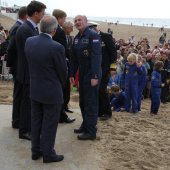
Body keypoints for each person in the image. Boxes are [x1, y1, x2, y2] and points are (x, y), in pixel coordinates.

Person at [25, 15, 67, 163]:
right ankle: (48, 154)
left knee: (36, 121)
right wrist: (59, 84)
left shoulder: (29, 41)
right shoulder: (56, 47)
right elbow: (63, 72)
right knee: (49, 124)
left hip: (35, 88)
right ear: (54, 30)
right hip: (51, 92)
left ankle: (35, 151)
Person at [15, 1, 46, 140]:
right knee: (26, 102)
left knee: (27, 101)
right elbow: (31, 52)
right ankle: (24, 130)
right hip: (27, 71)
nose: (43, 16)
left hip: (28, 71)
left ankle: (26, 127)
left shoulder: (31, 27)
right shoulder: (26, 29)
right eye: (42, 13)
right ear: (35, 13)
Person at [70, 15, 102, 140]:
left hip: (91, 74)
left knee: (91, 104)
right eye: (75, 21)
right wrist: (72, 74)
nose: (77, 22)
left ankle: (91, 132)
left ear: (86, 22)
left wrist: (94, 76)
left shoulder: (93, 36)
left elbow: (96, 57)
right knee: (83, 102)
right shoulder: (77, 38)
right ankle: (86, 125)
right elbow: (73, 59)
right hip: (82, 74)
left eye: (80, 20)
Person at [88, 21, 117, 120]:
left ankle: (107, 112)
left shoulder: (106, 36)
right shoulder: (91, 38)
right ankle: (100, 111)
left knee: (102, 90)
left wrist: (113, 68)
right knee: (97, 90)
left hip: (105, 68)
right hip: (96, 68)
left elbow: (113, 53)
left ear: (95, 28)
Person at [52, 9, 75, 123]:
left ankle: (60, 114)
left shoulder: (52, 28)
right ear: (60, 18)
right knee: (60, 92)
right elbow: (63, 50)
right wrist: (74, 58)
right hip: (59, 65)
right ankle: (62, 116)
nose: (64, 21)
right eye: (64, 18)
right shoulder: (59, 31)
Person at [6, 6, 27, 129]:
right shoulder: (18, 28)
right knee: (18, 94)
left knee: (19, 94)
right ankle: (17, 121)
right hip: (18, 67)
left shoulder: (17, 26)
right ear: (25, 16)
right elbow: (11, 49)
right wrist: (12, 66)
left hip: (18, 66)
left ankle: (17, 120)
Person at [62, 21, 74, 112]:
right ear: (66, 28)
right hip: (63, 65)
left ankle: (66, 105)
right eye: (71, 28)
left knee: (68, 87)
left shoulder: (71, 38)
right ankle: (62, 106)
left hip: (69, 65)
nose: (72, 30)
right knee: (63, 87)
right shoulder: (60, 36)